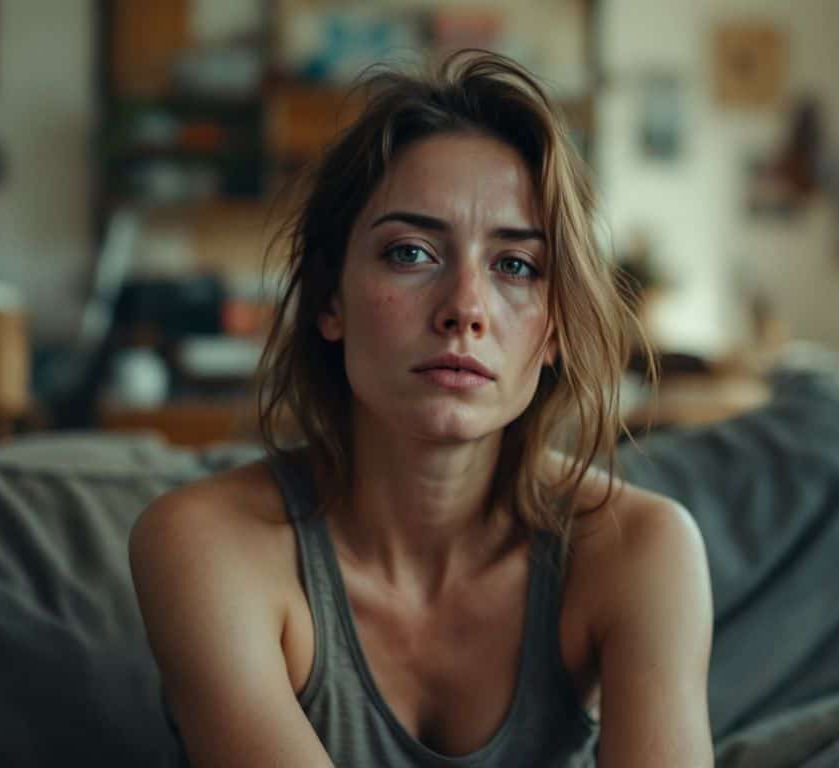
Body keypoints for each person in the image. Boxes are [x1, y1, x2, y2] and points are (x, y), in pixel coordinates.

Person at [129, 50, 713, 768]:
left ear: (556, 327)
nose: (465, 308)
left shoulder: (641, 549)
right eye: (409, 253)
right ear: (330, 298)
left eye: (516, 265)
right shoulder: (206, 545)